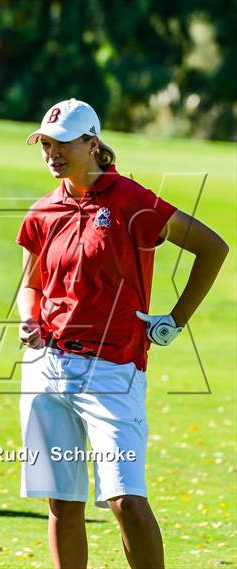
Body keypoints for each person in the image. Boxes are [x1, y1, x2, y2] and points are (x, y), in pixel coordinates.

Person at [16, 99, 228, 569]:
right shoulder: (43, 211)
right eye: (45, 144)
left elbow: (212, 247)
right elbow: (30, 286)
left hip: (113, 371)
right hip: (46, 370)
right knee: (62, 503)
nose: (52, 153)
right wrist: (28, 318)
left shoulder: (132, 200)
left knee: (125, 500)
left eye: (63, 143)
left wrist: (175, 318)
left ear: (93, 144)